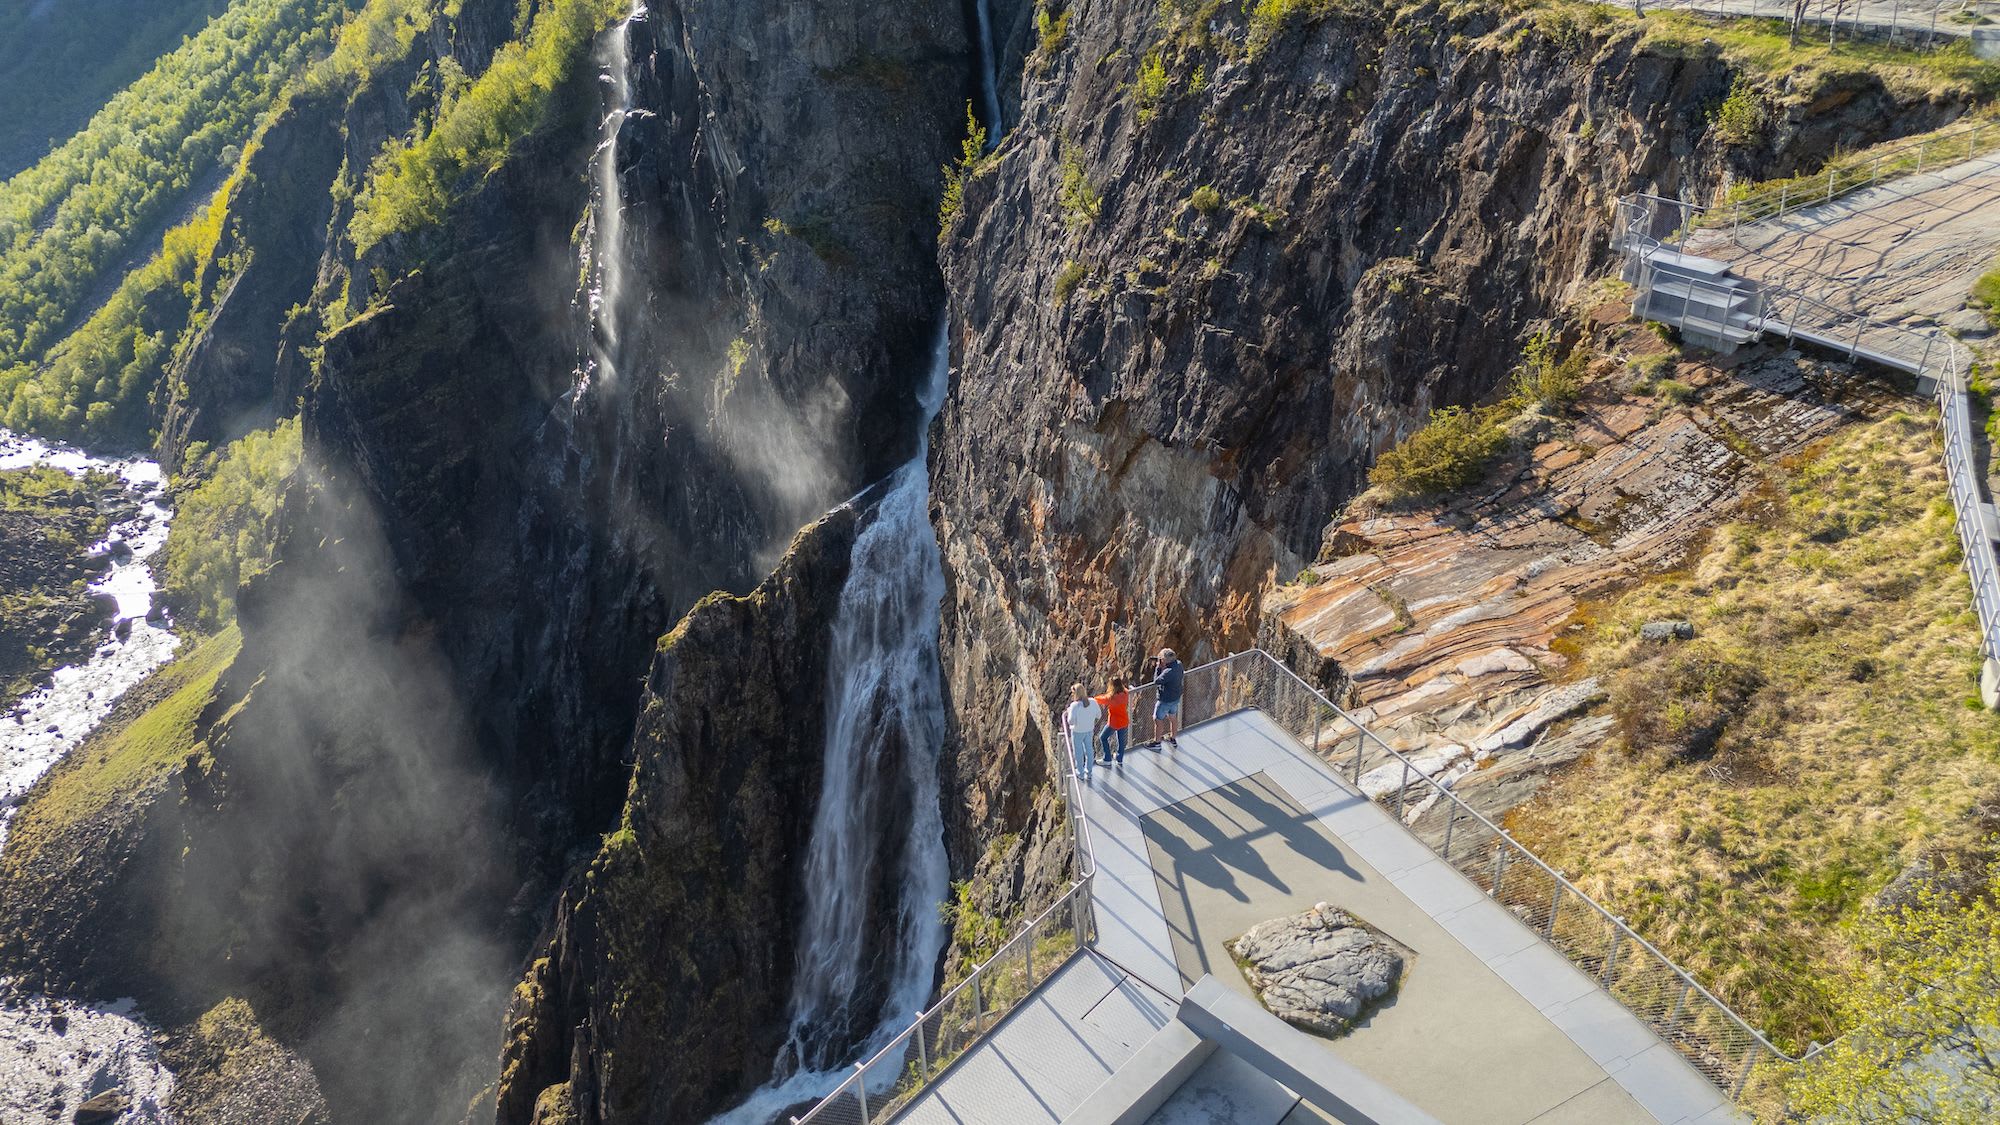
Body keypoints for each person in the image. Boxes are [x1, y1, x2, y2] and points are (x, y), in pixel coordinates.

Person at [1064, 682, 1105, 782]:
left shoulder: (1074, 706)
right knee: (1089, 751)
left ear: (1076, 693)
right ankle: (1089, 772)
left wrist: (1069, 711)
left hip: (1077, 731)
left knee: (1078, 752)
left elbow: (1070, 721)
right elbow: (1098, 715)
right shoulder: (1093, 701)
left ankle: (1080, 773)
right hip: (1089, 730)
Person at [1152, 647, 1185, 747]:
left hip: (1165, 700)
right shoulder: (1179, 664)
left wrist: (1158, 668)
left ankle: (1157, 742)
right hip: (1175, 698)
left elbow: (1156, 681)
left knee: (1157, 719)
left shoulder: (1168, 672)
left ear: (1163, 660)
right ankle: (1173, 738)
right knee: (1172, 717)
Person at [1093, 676, 1130, 764]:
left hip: (1114, 722)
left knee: (1103, 737)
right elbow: (1124, 690)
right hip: (1124, 720)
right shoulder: (1125, 693)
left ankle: (1107, 758)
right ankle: (1119, 758)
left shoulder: (1111, 698)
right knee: (1121, 742)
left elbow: (1100, 699)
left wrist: (1092, 699)